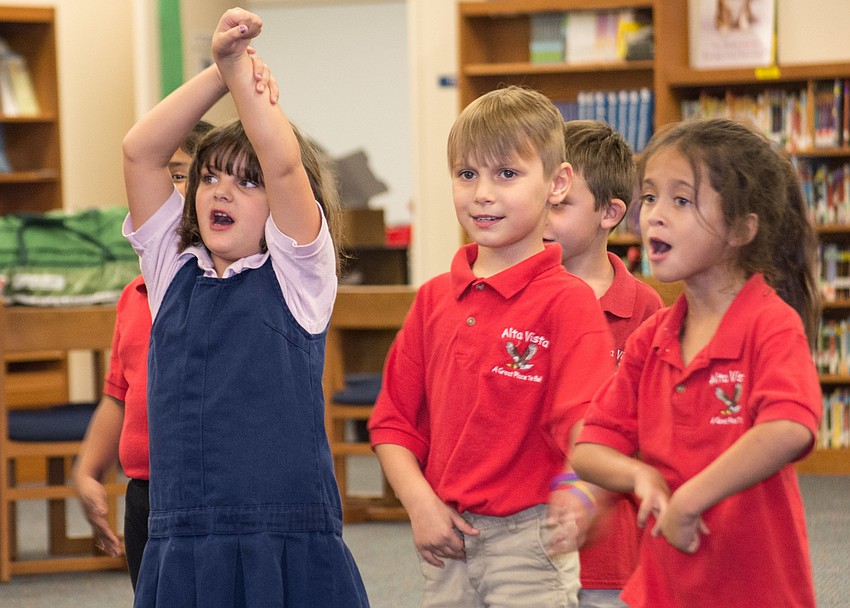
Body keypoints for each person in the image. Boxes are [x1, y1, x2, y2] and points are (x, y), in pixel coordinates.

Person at [122, 8, 368, 607]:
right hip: (183, 532)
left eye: (246, 182)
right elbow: (139, 152)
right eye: (209, 179)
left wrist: (245, 82)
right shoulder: (171, 268)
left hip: (280, 533)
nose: (222, 192)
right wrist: (218, 70)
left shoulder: (298, 276)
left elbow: (282, 163)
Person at [368, 85, 615, 608]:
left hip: (530, 541)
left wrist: (579, 490)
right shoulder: (435, 298)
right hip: (445, 538)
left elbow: (588, 424)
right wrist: (419, 505)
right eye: (466, 174)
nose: (482, 192)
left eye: (506, 173)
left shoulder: (568, 302)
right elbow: (392, 423)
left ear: (557, 182)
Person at [571, 117, 821, 607]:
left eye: (681, 200)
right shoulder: (652, 339)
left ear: (742, 228)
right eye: (650, 197)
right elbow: (589, 447)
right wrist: (639, 477)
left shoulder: (770, 324)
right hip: (665, 587)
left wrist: (689, 500)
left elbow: (788, 427)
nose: (653, 216)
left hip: (756, 589)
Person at [74, 121, 212, 590]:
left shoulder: (222, 289)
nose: (169, 190)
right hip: (145, 493)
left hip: (206, 491)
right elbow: (119, 395)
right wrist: (90, 470)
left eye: (181, 174)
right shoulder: (134, 296)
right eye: (165, 176)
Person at [544, 119, 663, 608]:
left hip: (609, 560)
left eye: (561, 204)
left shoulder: (645, 310)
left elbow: (649, 435)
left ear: (610, 212)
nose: (542, 217)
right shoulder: (517, 302)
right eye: (539, 199)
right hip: (524, 546)